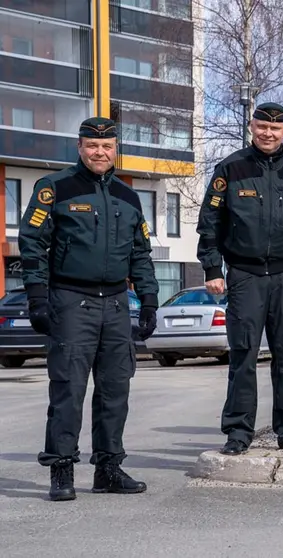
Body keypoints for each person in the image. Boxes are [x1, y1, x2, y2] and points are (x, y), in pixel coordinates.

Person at [18, 117, 160, 501]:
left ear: (116, 149)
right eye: (92, 146)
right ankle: (61, 470)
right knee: (68, 388)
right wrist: (37, 297)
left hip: (115, 304)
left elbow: (140, 253)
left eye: (107, 146)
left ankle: (108, 469)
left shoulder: (128, 197)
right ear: (80, 147)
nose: (100, 152)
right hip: (70, 301)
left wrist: (148, 299)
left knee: (116, 389)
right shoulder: (55, 188)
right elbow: (32, 244)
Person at [196, 102, 283, 456]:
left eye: (276, 129)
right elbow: (210, 223)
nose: (268, 134)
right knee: (243, 356)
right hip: (244, 275)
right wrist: (212, 269)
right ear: (252, 128)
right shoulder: (231, 168)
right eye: (262, 127)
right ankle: (239, 432)